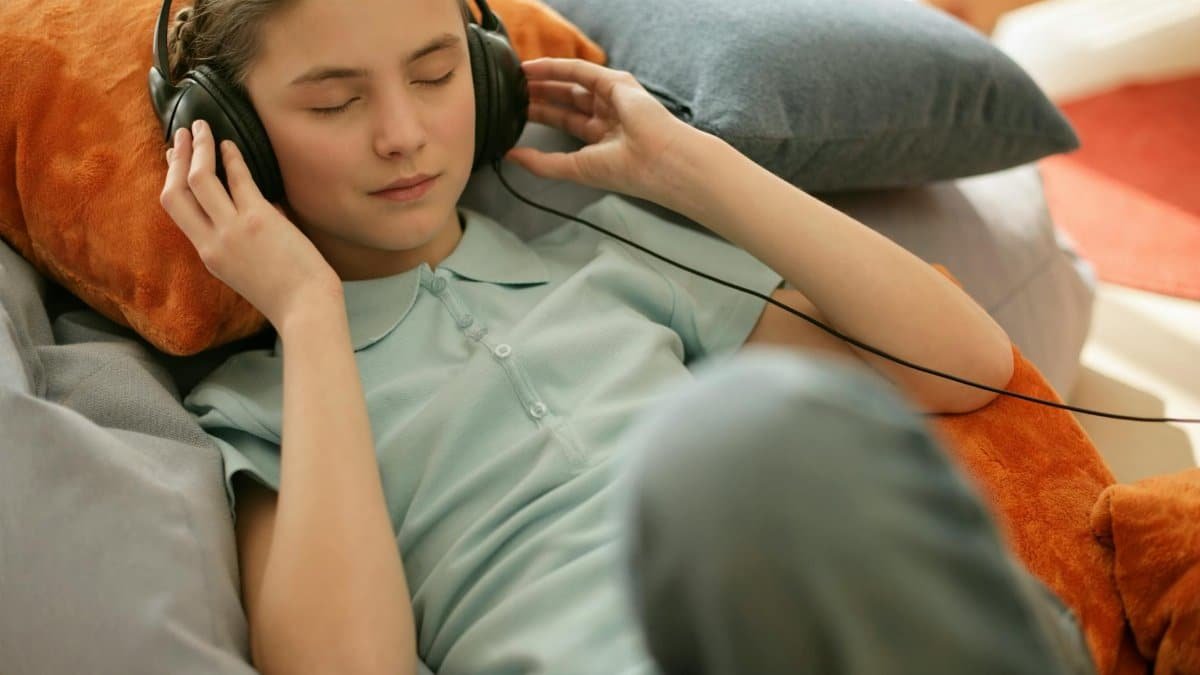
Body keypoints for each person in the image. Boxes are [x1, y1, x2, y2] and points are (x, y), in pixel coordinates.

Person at [160, 0, 1098, 674]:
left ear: (484, 72)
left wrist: (693, 168)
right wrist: (311, 313)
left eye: (437, 73)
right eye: (335, 103)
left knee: (769, 432)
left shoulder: (616, 251)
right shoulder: (261, 402)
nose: (403, 132)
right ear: (225, 133)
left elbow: (965, 368)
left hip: (819, 638)